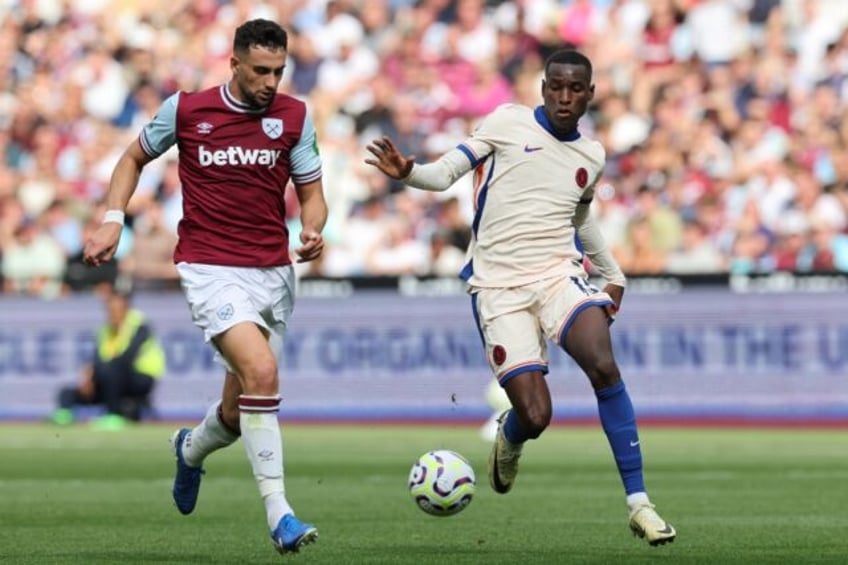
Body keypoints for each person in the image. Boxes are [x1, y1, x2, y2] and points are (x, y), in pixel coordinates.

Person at [366, 49, 676, 546]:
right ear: (543, 87)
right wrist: (408, 172)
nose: (565, 97)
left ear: (590, 94)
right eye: (556, 86)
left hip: (558, 274)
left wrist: (614, 274)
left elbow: (578, 219)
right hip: (497, 286)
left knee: (603, 363)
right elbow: (445, 173)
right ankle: (512, 435)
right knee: (536, 415)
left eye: (576, 89)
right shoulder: (506, 123)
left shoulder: (591, 156)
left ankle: (640, 503)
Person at [82, 19, 327, 555]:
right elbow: (132, 158)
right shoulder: (188, 110)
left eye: (279, 72)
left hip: (273, 272)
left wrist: (313, 228)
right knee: (262, 371)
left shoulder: (294, 116)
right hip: (209, 266)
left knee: (239, 414)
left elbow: (312, 192)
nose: (271, 82)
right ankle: (280, 515)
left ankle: (190, 450)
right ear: (234, 64)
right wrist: (112, 218)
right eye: (261, 71)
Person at [51, 282, 165, 429]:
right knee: (68, 391)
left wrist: (98, 371)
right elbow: (98, 359)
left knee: (113, 369)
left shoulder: (140, 326)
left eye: (116, 311)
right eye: (110, 311)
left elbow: (127, 358)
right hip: (111, 378)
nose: (112, 315)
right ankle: (65, 413)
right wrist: (90, 377)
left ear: (126, 309)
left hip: (142, 378)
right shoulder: (104, 330)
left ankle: (114, 415)